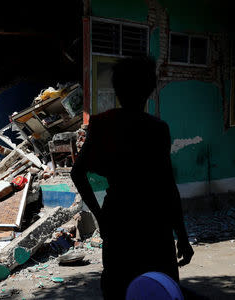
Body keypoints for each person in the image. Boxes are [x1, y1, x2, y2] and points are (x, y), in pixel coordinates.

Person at [71, 56, 194, 299]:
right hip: (154, 225)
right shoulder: (157, 129)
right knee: (160, 289)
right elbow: (168, 187)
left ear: (117, 89)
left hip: (118, 221)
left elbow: (78, 172)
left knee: (118, 288)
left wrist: (101, 217)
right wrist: (182, 236)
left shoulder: (102, 124)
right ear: (150, 88)